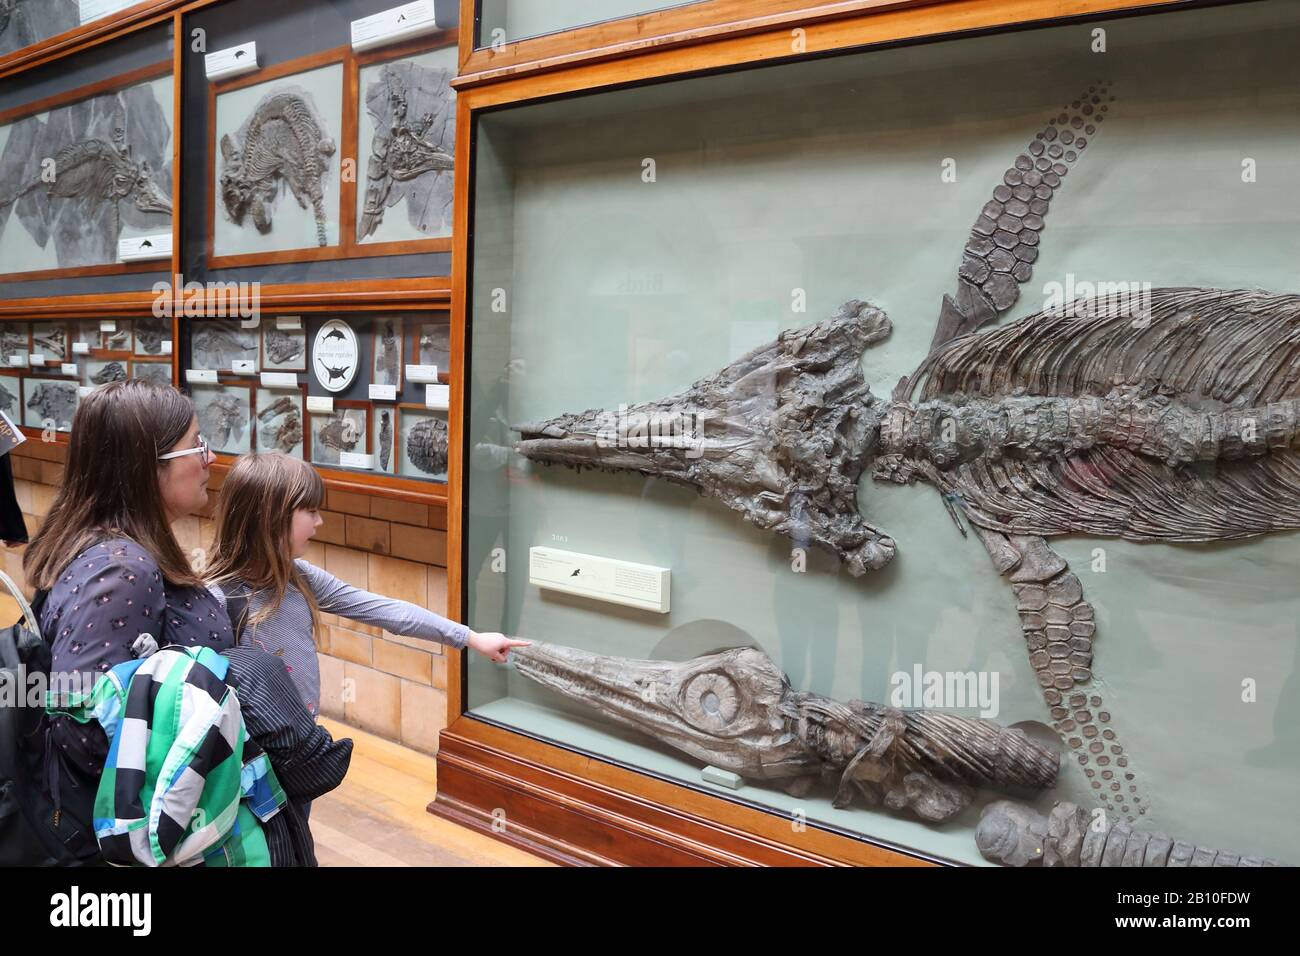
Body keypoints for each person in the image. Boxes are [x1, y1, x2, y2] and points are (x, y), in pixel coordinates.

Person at [204, 452, 527, 720]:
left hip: (299, 745)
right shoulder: (216, 599)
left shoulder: (299, 577)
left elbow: (387, 612)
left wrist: (470, 637)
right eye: (311, 511)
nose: (319, 522)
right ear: (270, 516)